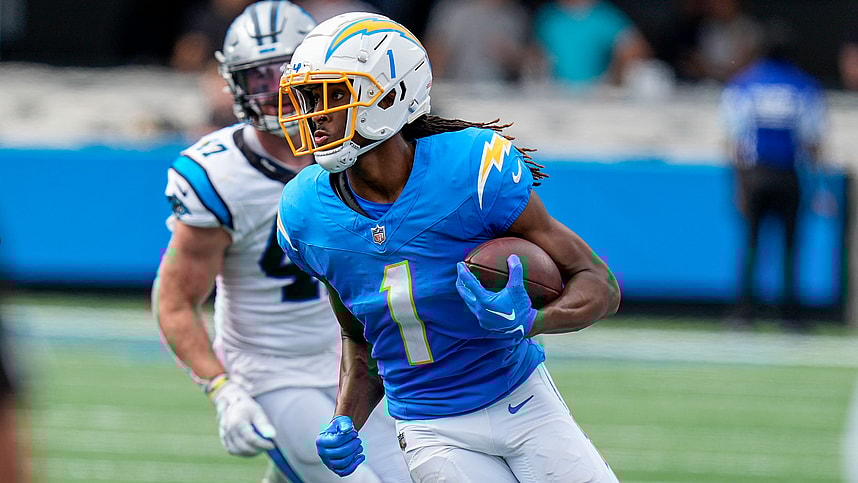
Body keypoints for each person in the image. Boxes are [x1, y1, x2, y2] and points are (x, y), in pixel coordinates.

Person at [275, 12, 622, 482]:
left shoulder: (471, 170)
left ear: (393, 94)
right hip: (429, 427)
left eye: (336, 94)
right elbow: (362, 337)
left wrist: (533, 321)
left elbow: (599, 282)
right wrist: (346, 418)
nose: (315, 113)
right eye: (310, 96)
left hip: (521, 400)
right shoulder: (305, 213)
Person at [153, 3, 410, 482]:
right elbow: (174, 301)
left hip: (359, 364)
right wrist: (223, 390)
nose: (276, 92)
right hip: (271, 369)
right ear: (234, 84)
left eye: (287, 73)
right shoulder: (219, 175)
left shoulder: (366, 146)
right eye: (259, 78)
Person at [719, 23, 827, 331]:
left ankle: (744, 313)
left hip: (755, 175)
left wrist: (739, 185)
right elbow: (813, 141)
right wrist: (819, 186)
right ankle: (790, 315)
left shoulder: (744, 84)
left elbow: (735, 141)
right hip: (787, 174)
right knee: (791, 246)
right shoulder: (804, 86)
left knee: (751, 244)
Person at [532, 0, 652, 86]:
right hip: (556, 90)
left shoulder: (604, 15)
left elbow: (637, 48)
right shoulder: (549, 15)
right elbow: (536, 52)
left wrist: (614, 78)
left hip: (597, 91)